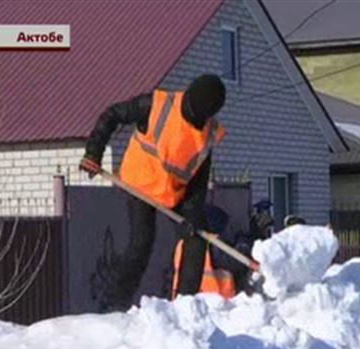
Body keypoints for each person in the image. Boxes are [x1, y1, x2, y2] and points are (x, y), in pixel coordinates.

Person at [79, 74, 226, 310]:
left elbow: (198, 181)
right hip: (140, 185)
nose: (194, 119)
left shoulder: (206, 135)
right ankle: (115, 306)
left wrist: (192, 214)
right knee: (141, 243)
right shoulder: (157, 105)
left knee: (197, 237)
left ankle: (184, 308)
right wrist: (93, 153)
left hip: (173, 193)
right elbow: (112, 114)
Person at [172, 205, 248, 300]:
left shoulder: (182, 244)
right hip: (216, 304)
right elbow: (236, 262)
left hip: (187, 301)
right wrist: (243, 242)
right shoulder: (212, 249)